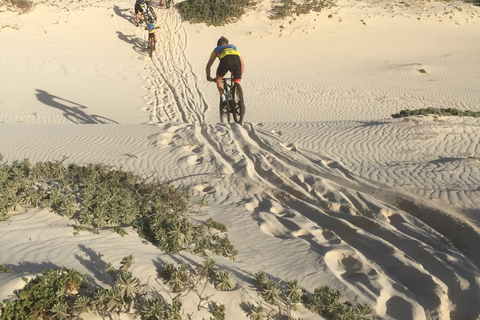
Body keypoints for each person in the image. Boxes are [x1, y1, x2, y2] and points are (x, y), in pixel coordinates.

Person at [206, 36, 245, 108]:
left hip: (226, 61)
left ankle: (223, 98)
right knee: (237, 82)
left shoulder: (216, 49)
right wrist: (239, 76)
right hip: (237, 62)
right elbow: (242, 65)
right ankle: (241, 102)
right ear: (227, 43)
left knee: (219, 79)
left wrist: (208, 77)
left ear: (218, 44)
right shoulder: (234, 47)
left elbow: (208, 66)